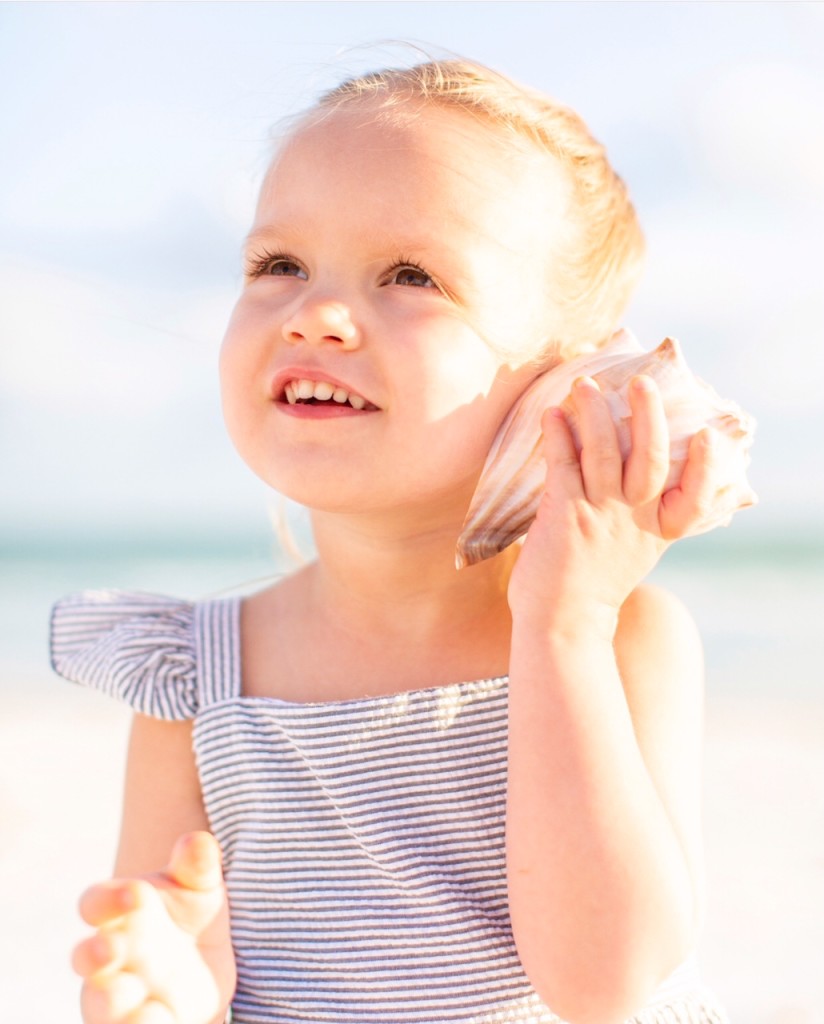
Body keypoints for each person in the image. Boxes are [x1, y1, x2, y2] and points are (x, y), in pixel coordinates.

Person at [51, 57, 731, 1024]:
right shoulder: (193, 676)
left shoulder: (618, 643)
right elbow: (176, 962)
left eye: (412, 276)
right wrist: (172, 995)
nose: (315, 315)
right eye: (278, 264)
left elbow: (606, 988)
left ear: (564, 382)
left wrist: (562, 624)